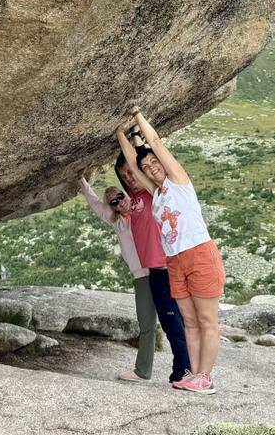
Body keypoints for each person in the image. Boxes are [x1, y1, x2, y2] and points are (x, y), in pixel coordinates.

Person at [123, 106, 226, 395]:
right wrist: (120, 134)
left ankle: (205, 377)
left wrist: (137, 116)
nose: (152, 168)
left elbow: (154, 143)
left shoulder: (179, 182)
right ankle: (193, 375)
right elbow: (133, 164)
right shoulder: (156, 195)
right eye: (148, 168)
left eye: (155, 163)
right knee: (190, 323)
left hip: (199, 254)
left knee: (207, 321)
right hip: (174, 261)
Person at [111, 121, 192, 386]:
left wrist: (130, 136)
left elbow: (140, 163)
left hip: (165, 267)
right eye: (125, 175)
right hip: (153, 271)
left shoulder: (150, 191)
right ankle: (182, 370)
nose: (130, 177)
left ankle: (185, 371)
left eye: (131, 172)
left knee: (173, 323)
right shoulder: (131, 200)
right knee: (170, 324)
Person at [79, 174, 159, 382]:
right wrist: (81, 180)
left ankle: (191, 370)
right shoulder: (119, 223)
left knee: (178, 320)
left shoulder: (143, 208)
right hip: (142, 277)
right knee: (147, 325)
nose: (118, 202)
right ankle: (143, 371)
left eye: (120, 196)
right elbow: (96, 204)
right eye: (113, 202)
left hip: (160, 270)